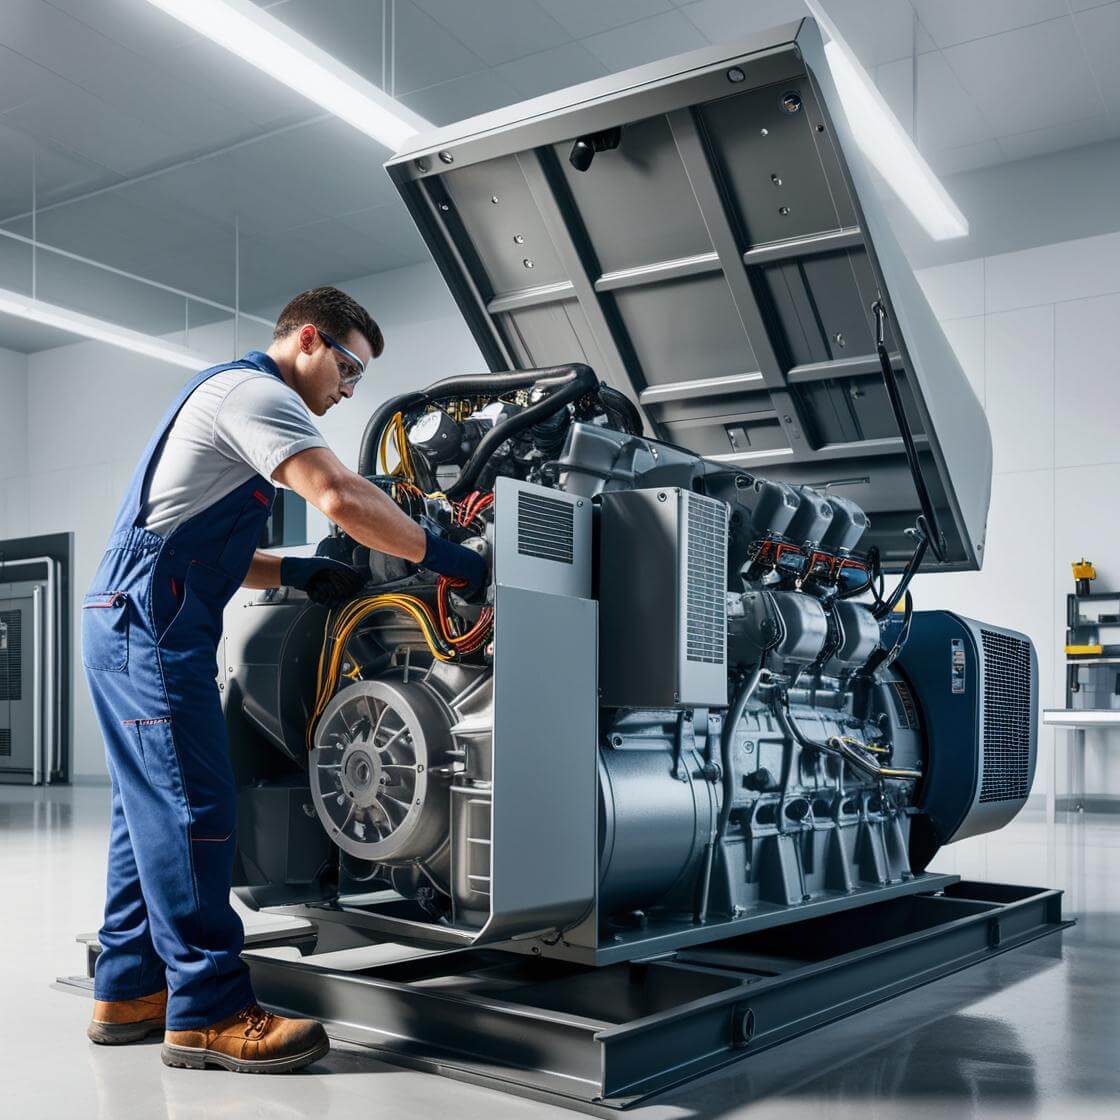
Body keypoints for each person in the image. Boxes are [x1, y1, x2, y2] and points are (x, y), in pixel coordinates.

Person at [81, 286, 483, 1073]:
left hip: (134, 616)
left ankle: (127, 990)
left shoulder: (230, 395)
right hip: (152, 627)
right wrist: (450, 556)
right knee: (195, 808)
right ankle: (211, 1010)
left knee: (146, 815)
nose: (347, 391)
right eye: (347, 369)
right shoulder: (259, 395)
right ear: (308, 340)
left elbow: (199, 547)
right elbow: (339, 495)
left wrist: (297, 570)